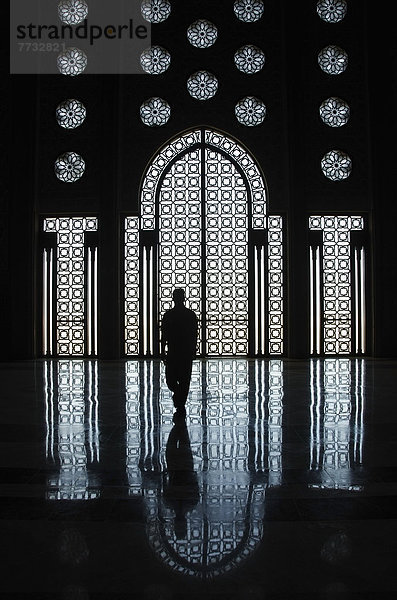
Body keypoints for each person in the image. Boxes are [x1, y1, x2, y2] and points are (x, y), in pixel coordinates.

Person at [161, 288, 198, 418]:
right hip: (176, 351)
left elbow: (194, 334)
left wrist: (193, 349)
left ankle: (180, 404)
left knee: (183, 379)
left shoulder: (185, 315)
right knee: (173, 380)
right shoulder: (185, 315)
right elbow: (164, 334)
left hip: (181, 351)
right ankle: (179, 396)